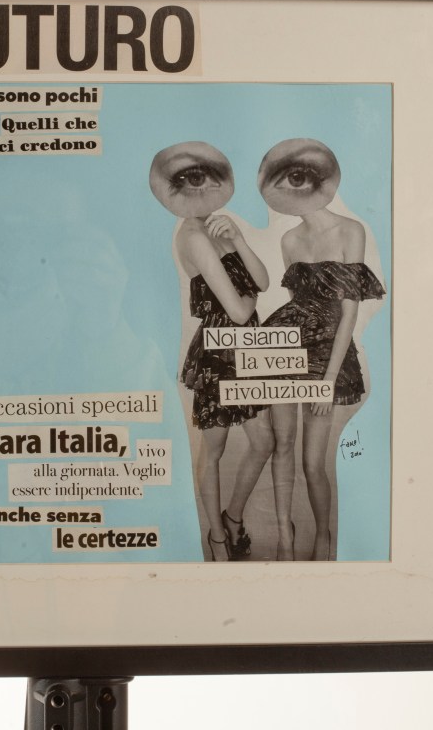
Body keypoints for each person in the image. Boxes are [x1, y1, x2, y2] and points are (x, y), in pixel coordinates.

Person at [258, 138, 385, 560]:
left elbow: (348, 313)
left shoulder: (351, 230)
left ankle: (324, 536)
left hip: (327, 358)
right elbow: (296, 306)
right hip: (285, 349)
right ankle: (285, 536)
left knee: (313, 463)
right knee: (282, 445)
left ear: (320, 181)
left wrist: (328, 381)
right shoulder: (289, 241)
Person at [149, 141, 275, 562]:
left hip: (248, 349)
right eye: (188, 180)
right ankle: (217, 537)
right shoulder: (192, 236)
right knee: (214, 451)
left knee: (263, 442)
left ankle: (233, 517)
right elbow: (240, 310)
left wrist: (238, 238)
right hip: (222, 353)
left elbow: (263, 280)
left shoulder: (219, 226)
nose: (200, 190)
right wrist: (251, 300)